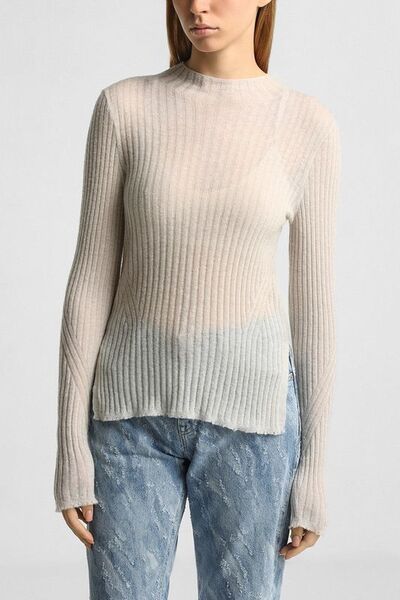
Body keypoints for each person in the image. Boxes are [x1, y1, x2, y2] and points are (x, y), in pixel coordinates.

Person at [53, 1, 341, 598]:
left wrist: (314, 467)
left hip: (255, 425)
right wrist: (69, 446)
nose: (196, 5)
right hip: (127, 420)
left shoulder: (305, 124)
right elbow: (89, 281)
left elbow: (313, 309)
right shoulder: (124, 108)